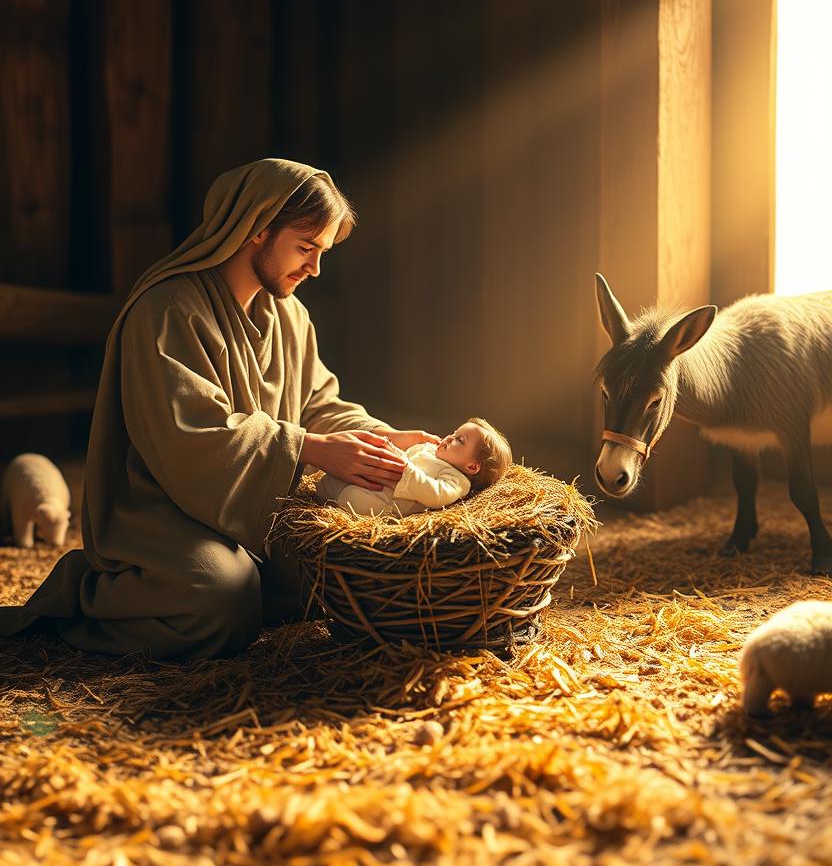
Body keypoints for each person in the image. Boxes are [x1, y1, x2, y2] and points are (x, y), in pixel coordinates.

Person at [0, 159, 436, 661]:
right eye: (305, 248)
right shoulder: (166, 310)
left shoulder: (290, 316)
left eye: (323, 253)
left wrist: (383, 439)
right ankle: (89, 597)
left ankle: (241, 583)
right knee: (221, 601)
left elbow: (319, 403)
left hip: (254, 508)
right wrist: (310, 449)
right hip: (162, 512)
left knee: (332, 572)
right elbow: (190, 435)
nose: (315, 269)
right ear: (255, 228)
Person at [315, 417, 512, 517]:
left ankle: (335, 504)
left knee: (355, 499)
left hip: (389, 500)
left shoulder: (456, 481)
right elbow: (407, 452)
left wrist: (405, 469)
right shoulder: (430, 450)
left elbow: (435, 495)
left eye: (460, 440)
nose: (450, 437)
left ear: (472, 466)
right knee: (333, 479)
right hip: (377, 478)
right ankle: (324, 493)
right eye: (454, 432)